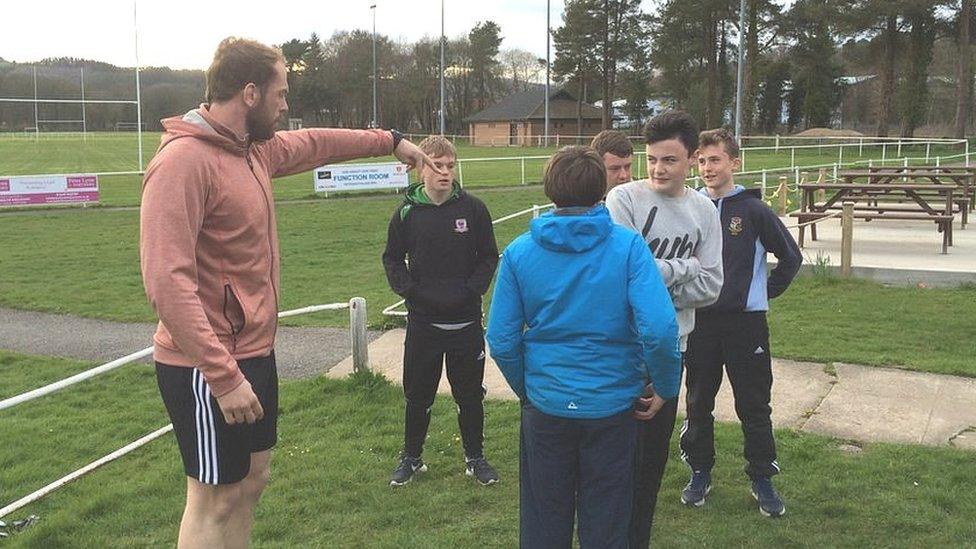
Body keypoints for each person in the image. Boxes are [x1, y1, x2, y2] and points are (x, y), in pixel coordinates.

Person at [140, 37, 439, 548]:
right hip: (205, 365)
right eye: (280, 93)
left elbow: (319, 143)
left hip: (255, 351)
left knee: (251, 484)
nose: (286, 105)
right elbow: (166, 282)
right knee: (214, 499)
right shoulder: (184, 163)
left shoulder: (253, 150)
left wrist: (392, 141)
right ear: (250, 93)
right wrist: (223, 376)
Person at [487, 146, 681, 549]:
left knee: (544, 521)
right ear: (600, 188)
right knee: (607, 522)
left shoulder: (520, 252)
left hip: (548, 407)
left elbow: (502, 339)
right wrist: (666, 385)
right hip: (611, 407)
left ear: (550, 189)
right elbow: (660, 328)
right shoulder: (627, 247)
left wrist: (530, 389)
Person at [605, 111, 723, 547]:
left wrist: (654, 280)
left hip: (672, 352)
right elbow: (621, 277)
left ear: (692, 159)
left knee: (651, 466)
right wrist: (684, 268)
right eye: (652, 159)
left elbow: (711, 285)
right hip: (622, 350)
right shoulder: (624, 200)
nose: (658, 169)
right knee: (612, 464)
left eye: (669, 160)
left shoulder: (704, 211)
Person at [678, 128, 802, 517]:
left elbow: (791, 258)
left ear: (735, 163)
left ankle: (762, 478)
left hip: (746, 326)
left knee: (753, 404)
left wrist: (759, 295)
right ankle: (700, 472)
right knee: (698, 403)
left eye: (715, 160)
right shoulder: (689, 207)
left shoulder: (753, 210)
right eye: (701, 160)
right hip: (699, 324)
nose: (707, 167)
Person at [382, 135, 500, 487]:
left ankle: (475, 458)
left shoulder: (474, 209)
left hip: (465, 323)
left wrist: (470, 291)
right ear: (421, 169)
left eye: (450, 165)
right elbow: (391, 259)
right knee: (418, 395)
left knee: (469, 394)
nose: (445, 172)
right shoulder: (406, 213)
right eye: (436, 165)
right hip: (423, 324)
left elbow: (489, 257)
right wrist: (411, 293)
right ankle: (412, 458)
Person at [590, 129, 635, 193]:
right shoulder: (581, 199)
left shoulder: (642, 196)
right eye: (615, 169)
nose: (623, 176)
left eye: (627, 167)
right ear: (596, 168)